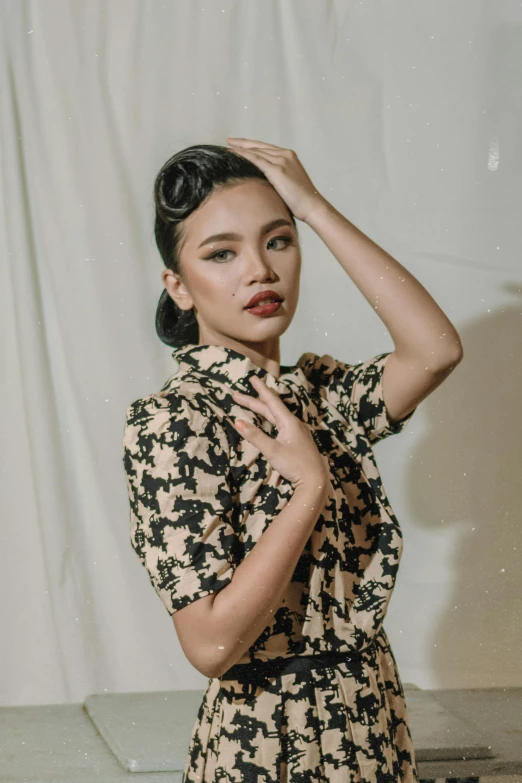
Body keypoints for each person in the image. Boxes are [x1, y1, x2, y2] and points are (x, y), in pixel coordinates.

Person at [121, 139, 463, 782]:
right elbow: (210, 644)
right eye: (221, 253)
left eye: (278, 241)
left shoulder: (321, 392)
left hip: (374, 725)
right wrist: (309, 486)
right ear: (179, 286)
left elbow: (436, 350)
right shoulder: (176, 422)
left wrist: (313, 206)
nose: (259, 270)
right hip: (269, 743)